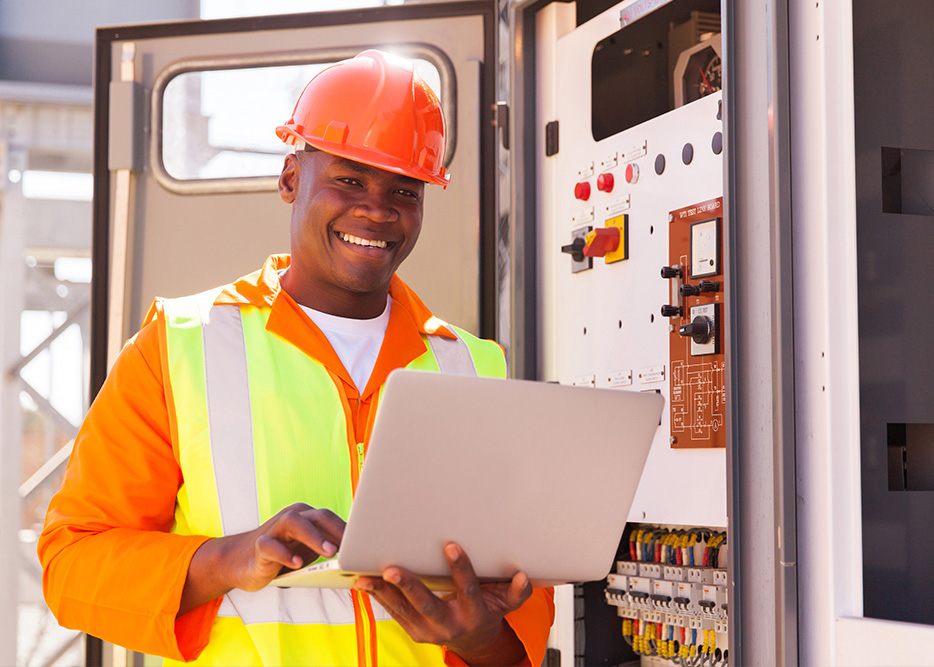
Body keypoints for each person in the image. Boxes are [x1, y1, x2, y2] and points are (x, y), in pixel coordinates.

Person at [38, 50, 554, 666]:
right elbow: (74, 564)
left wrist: (476, 639)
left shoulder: (473, 367)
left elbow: (516, 634)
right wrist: (228, 559)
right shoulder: (178, 348)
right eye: (349, 179)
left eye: (404, 190)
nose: (378, 209)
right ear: (290, 179)